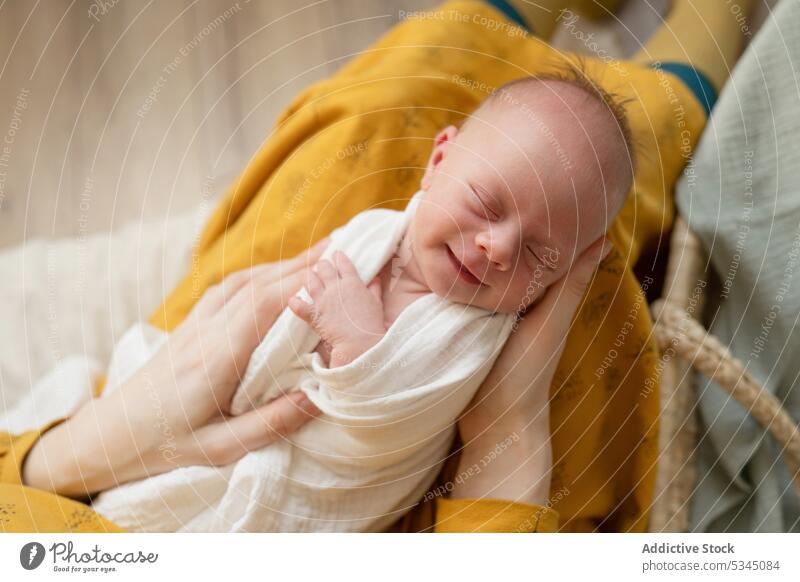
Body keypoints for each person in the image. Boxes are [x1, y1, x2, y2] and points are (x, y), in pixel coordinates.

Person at [1, 0, 753, 532]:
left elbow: (393, 409)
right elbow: (393, 412)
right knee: (607, 214)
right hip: (229, 469)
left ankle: (507, 20)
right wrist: (506, 417)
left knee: (401, 89)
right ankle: (687, 68)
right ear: (439, 162)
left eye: (538, 257)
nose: (496, 248)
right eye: (487, 206)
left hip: (130, 450)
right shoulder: (474, 317)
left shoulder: (455, 308)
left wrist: (66, 451)